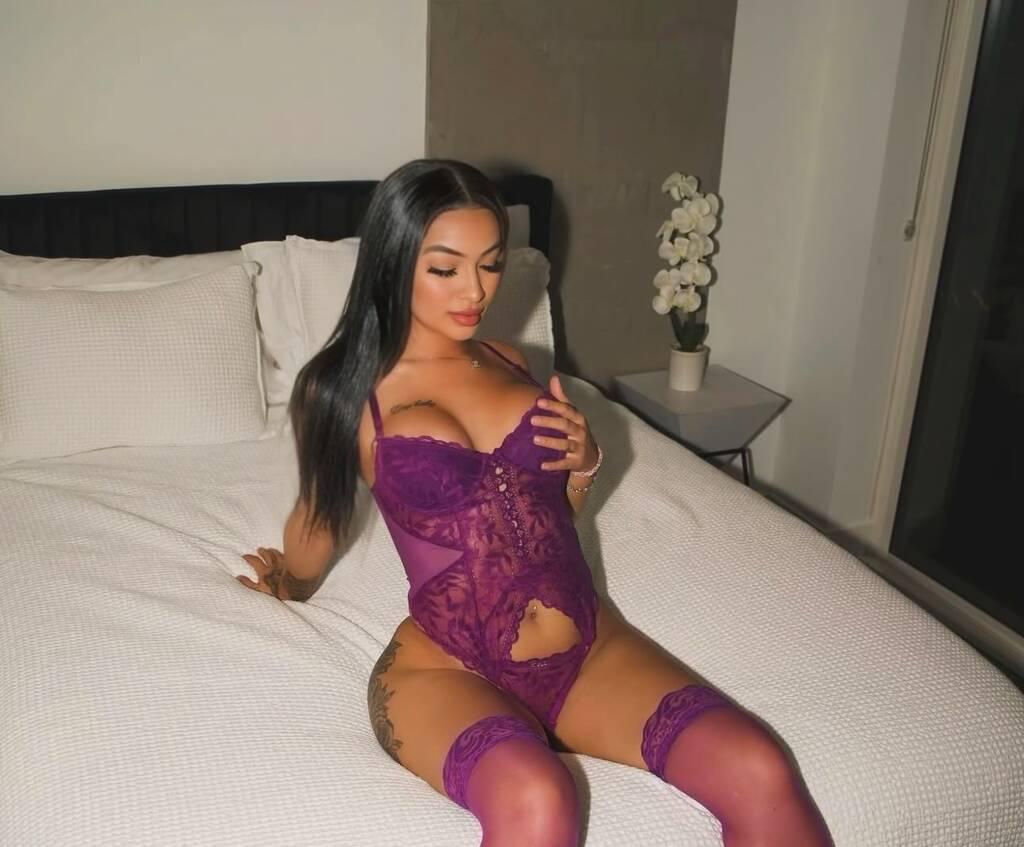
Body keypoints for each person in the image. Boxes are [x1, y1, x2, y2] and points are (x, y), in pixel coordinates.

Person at [238, 159, 833, 847]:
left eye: (491, 264)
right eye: (446, 268)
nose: (475, 291)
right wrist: (290, 578)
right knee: (538, 797)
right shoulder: (342, 391)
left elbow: (542, 524)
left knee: (758, 767)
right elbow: (317, 524)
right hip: (448, 665)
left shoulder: (510, 361)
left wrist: (585, 465)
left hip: (586, 647)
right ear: (393, 263)